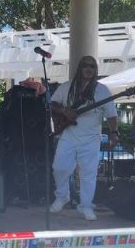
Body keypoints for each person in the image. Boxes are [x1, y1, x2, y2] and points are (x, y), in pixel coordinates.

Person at [49, 55, 118, 220]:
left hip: (91, 137)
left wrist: (114, 133)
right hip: (69, 134)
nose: (88, 69)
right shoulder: (66, 87)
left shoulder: (102, 90)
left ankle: (86, 205)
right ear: (80, 68)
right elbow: (51, 104)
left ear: (96, 70)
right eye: (85, 66)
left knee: (88, 173)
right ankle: (62, 196)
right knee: (59, 167)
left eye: (92, 67)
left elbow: (111, 115)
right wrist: (64, 111)